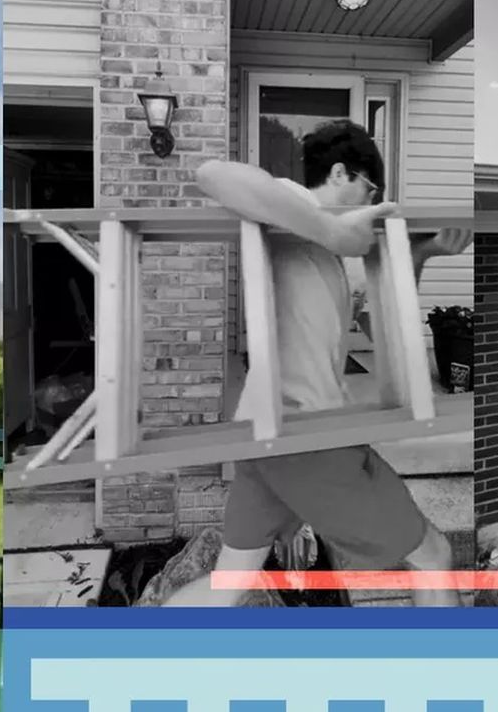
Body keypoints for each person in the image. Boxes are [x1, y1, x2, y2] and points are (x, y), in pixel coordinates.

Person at [170, 120, 472, 609]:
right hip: (302, 435)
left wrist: (419, 254)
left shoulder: (321, 255)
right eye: (369, 190)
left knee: (233, 581)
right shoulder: (288, 203)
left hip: (269, 433)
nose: (369, 204)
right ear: (338, 174)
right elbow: (211, 173)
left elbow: (384, 328)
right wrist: (332, 227)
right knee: (434, 556)